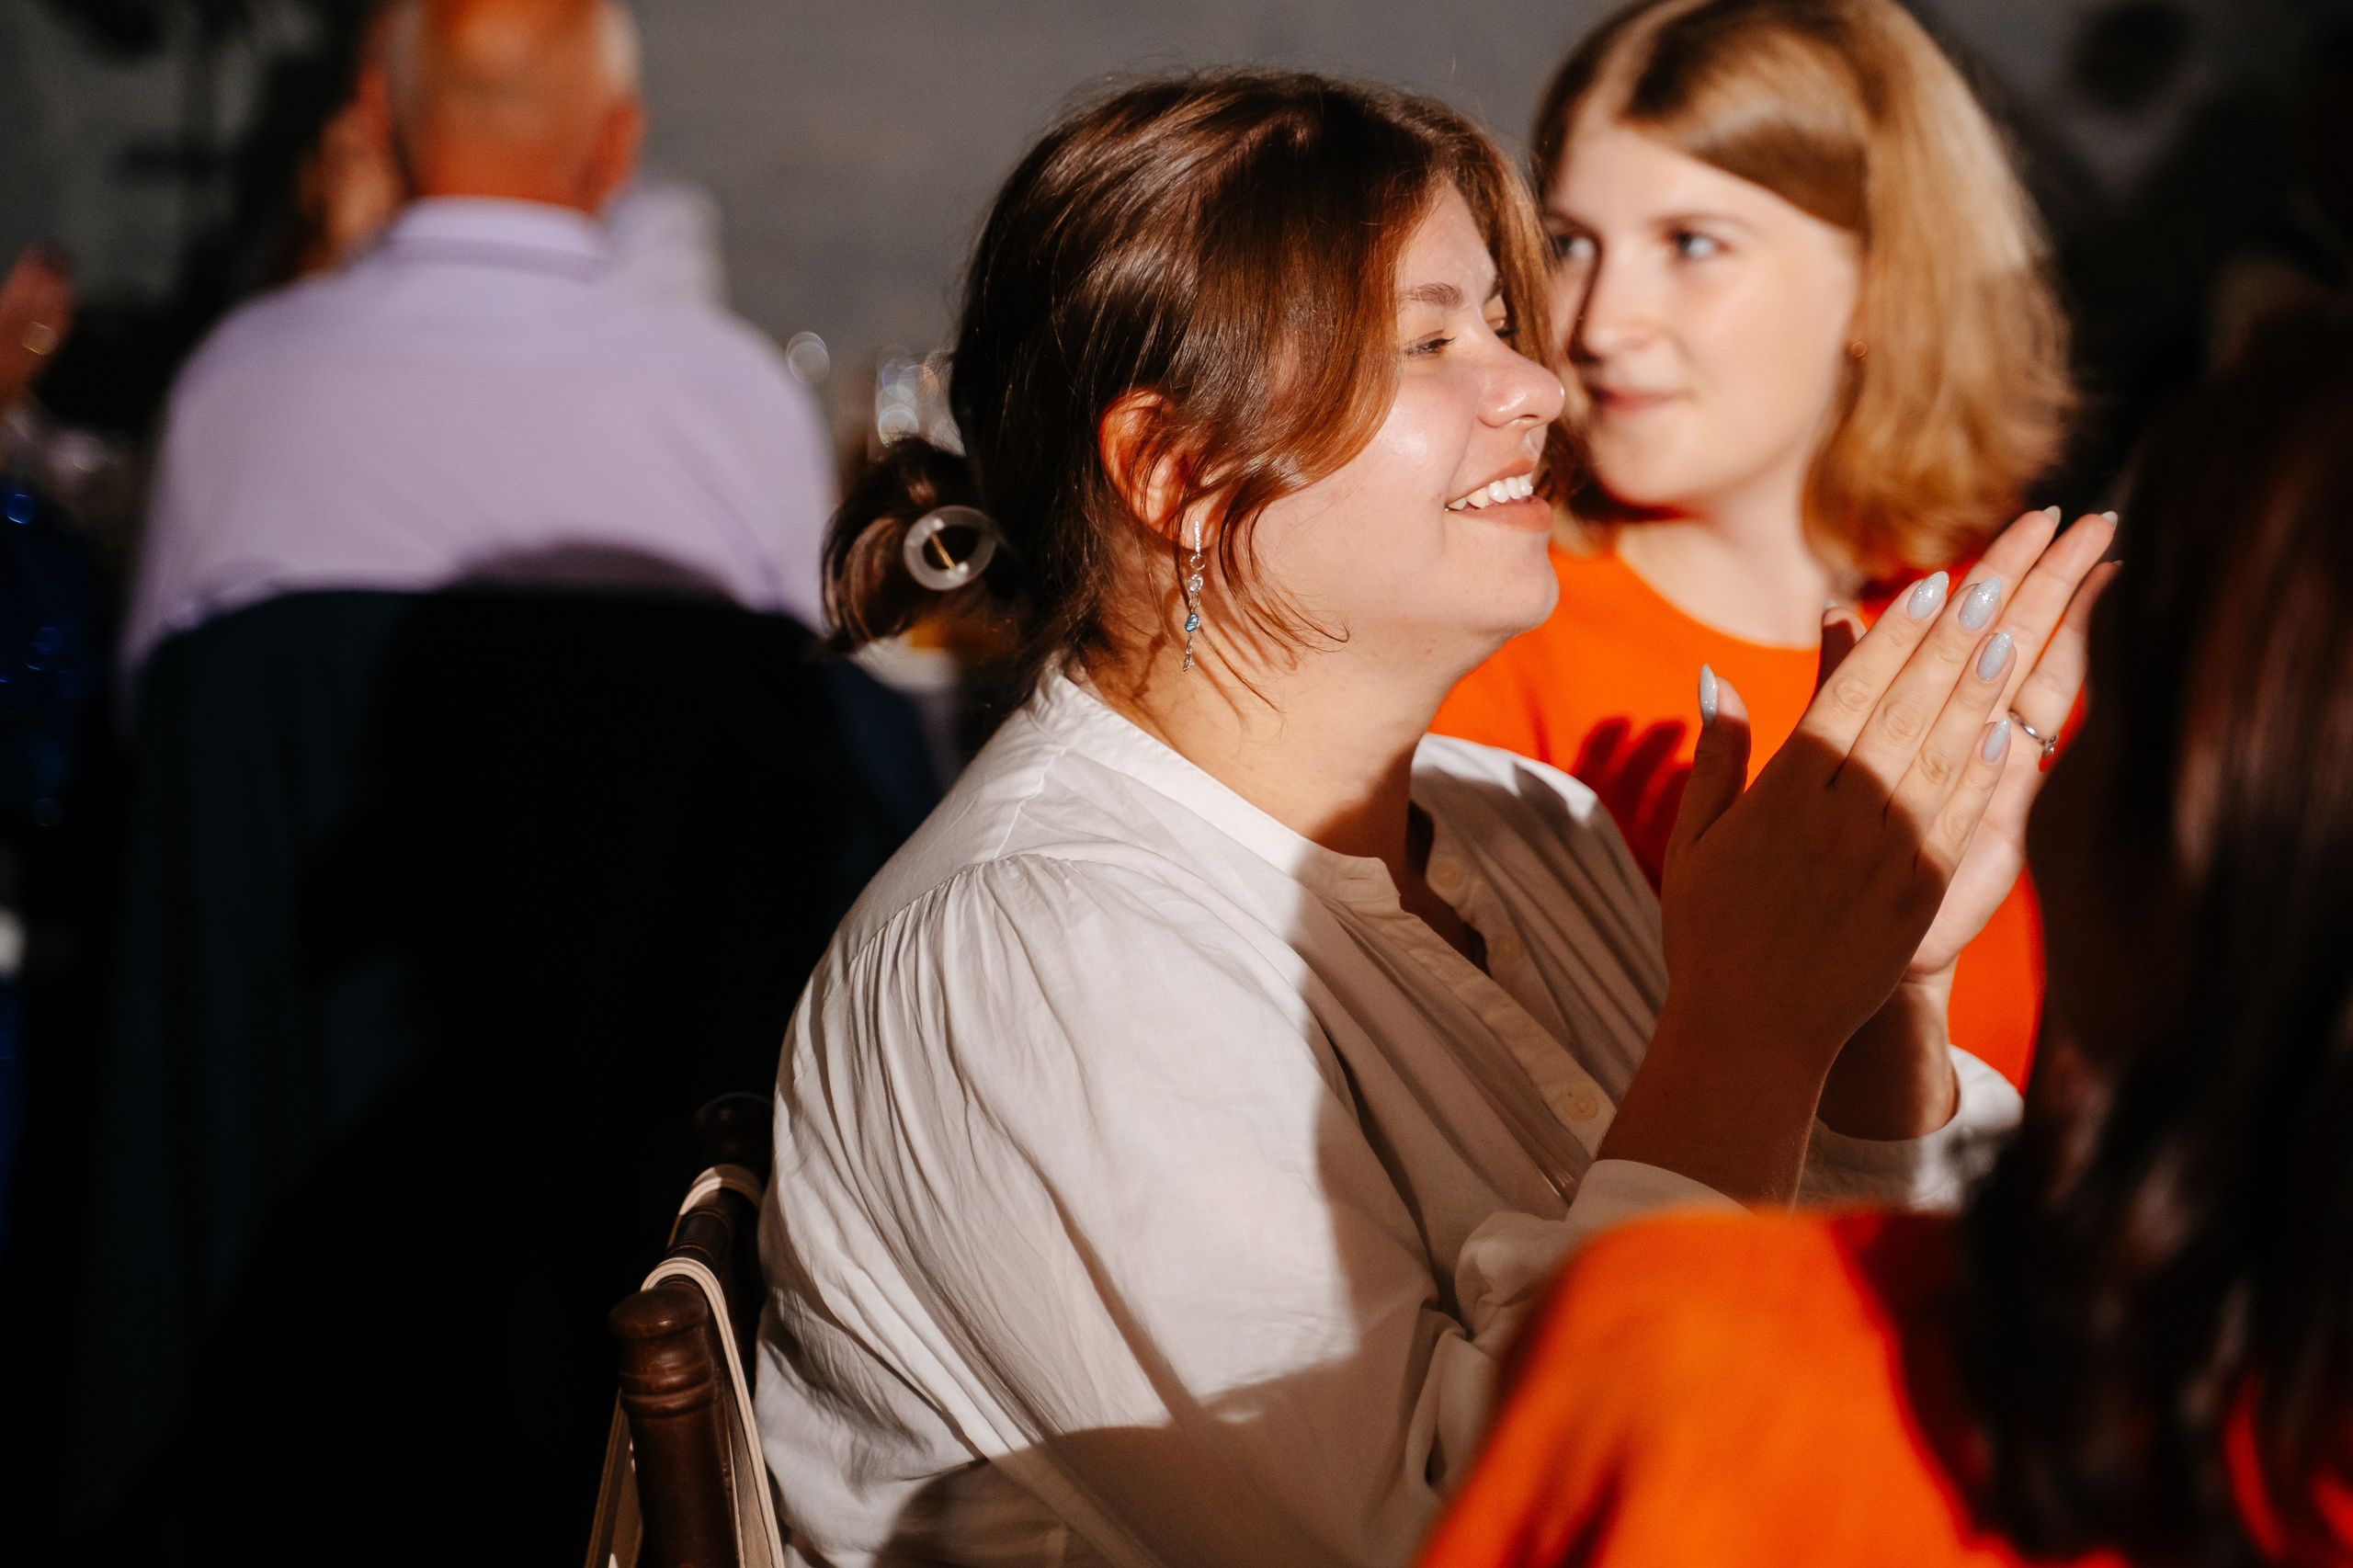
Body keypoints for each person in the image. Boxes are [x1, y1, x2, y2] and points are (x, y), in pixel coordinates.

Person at [756, 70, 2111, 1566]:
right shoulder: (1025, 962)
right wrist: (1746, 1028)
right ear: (1173, 472)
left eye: (1503, 325)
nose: (1540, 387)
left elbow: (1862, 1350)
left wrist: (1878, 999)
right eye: (1432, 340)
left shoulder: (1524, 822)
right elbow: (1477, 1534)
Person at [1415, 309, 2353, 1568]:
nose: (1571, 349)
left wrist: (1747, 1028)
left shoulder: (1695, 1365)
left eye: (2106, 707)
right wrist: (1884, 1005)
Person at [1433, 0, 2075, 1088]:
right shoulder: (1491, 640)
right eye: (1572, 243)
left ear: (1882, 277)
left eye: (1691, 244)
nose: (1598, 323)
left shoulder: (2017, 633)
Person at [120, 0, 837, 678]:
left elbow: (156, 708)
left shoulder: (235, 387)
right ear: (619, 142)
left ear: (373, 113)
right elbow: (818, 706)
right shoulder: (740, 404)